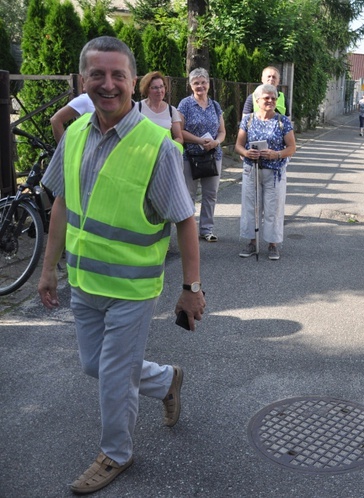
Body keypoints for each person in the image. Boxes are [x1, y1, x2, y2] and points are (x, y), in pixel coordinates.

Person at [37, 36, 205, 495]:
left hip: (133, 288)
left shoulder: (157, 146)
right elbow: (61, 205)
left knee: (113, 374)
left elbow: (185, 220)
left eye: (118, 75)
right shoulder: (73, 134)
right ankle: (167, 379)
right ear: (82, 80)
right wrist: (48, 269)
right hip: (85, 282)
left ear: (133, 81)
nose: (108, 84)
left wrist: (191, 287)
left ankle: (116, 452)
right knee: (96, 365)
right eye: (97, 74)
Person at [234, 84, 296, 261]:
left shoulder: (282, 121)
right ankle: (252, 242)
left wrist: (276, 154)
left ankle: (273, 244)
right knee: (250, 207)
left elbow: (292, 148)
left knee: (273, 209)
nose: (270, 101)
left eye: (273, 98)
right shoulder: (248, 119)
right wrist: (246, 152)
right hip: (251, 169)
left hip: (274, 172)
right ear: (257, 99)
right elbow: (238, 145)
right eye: (266, 98)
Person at [178, 68, 226, 242]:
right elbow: (179, 131)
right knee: (188, 195)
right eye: (196, 83)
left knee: (210, 194)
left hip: (213, 156)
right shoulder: (185, 104)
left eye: (203, 82)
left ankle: (206, 229)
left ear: (209, 84)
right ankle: (188, 231)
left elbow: (222, 131)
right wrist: (199, 140)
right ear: (191, 85)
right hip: (190, 157)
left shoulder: (215, 105)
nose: (200, 86)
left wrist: (216, 142)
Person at [137, 70, 183, 145]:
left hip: (164, 155)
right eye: (155, 88)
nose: (159, 90)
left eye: (161, 86)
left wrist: (167, 146)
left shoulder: (172, 110)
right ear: (147, 89)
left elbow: (179, 138)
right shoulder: (137, 108)